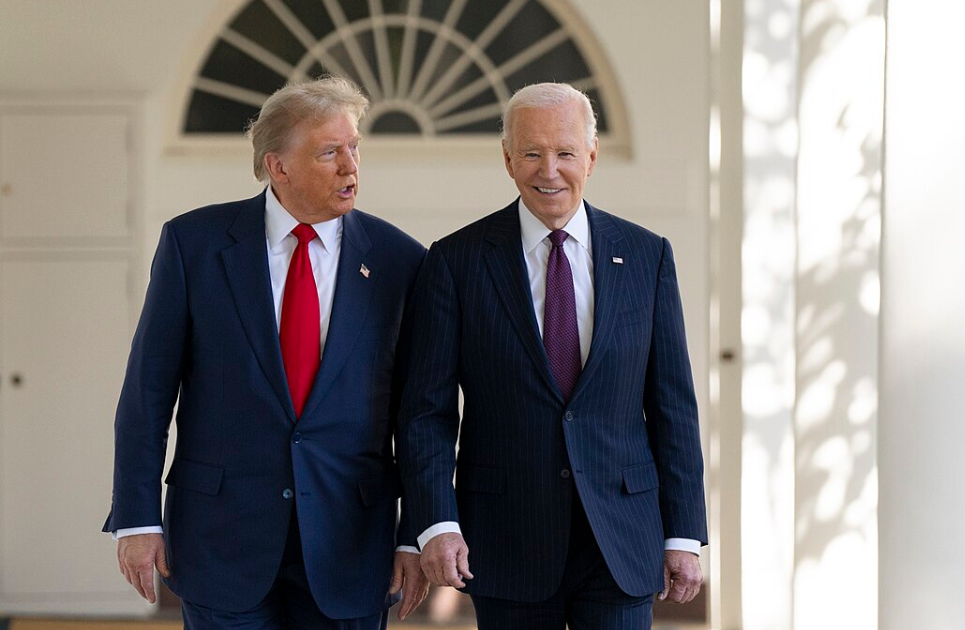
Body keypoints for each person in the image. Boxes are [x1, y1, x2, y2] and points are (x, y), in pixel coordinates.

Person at [103, 76, 429, 628]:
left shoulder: (402, 261)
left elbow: (417, 414)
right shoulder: (194, 245)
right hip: (221, 538)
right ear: (278, 166)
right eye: (330, 153)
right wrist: (137, 519)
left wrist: (416, 532)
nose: (351, 167)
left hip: (350, 542)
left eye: (355, 148)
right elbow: (147, 392)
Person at [398, 82, 708, 630]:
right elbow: (427, 413)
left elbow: (672, 407)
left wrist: (682, 533)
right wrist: (436, 523)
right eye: (532, 153)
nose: (549, 170)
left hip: (620, 537)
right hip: (506, 538)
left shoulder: (646, 256)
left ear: (590, 156)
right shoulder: (456, 261)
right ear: (508, 159)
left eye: (565, 152)